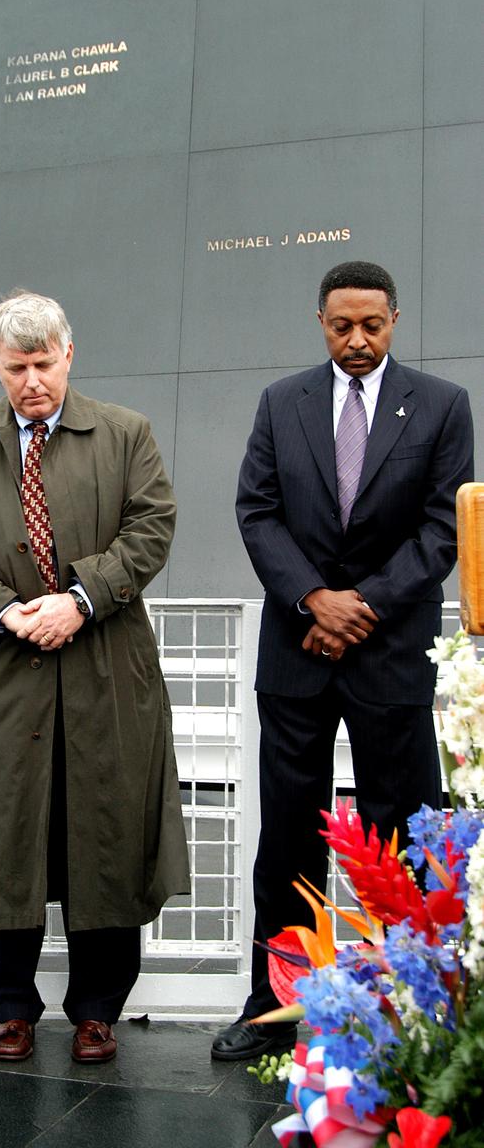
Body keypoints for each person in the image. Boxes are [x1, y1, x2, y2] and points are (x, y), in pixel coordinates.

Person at [211, 260, 475, 1061]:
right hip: (295, 652)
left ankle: (406, 1006)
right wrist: (311, 601)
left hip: (389, 650)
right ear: (319, 323)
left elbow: (440, 526)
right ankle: (274, 1006)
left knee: (399, 833)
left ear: (393, 319)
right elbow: (255, 512)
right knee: (288, 835)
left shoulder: (441, 405)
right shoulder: (279, 402)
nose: (355, 341)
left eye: (370, 325)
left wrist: (357, 606)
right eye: (339, 326)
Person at [0, 290, 189, 1064]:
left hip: (106, 668)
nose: (31, 380)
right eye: (16, 366)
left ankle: (99, 1008)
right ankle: (13, 1006)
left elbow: (150, 525)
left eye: (44, 363)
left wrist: (80, 600)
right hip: (5, 675)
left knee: (108, 827)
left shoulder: (125, 433)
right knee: (9, 832)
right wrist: (7, 613)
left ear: (69, 355)